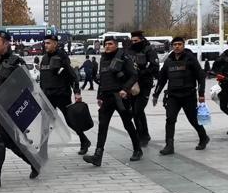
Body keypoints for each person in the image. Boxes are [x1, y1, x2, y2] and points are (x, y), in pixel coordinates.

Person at [0, 30, 35, 191]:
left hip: (12, 110)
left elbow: (29, 87)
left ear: (6, 44)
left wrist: (10, 99)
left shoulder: (16, 62)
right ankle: (34, 163)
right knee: (10, 142)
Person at [82, 37, 141, 166]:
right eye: (105, 44)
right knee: (102, 126)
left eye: (110, 44)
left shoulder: (123, 57)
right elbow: (102, 78)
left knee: (127, 124)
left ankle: (137, 149)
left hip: (120, 96)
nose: (107, 46)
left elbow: (134, 75)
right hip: (107, 97)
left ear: (116, 45)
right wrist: (99, 96)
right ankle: (98, 156)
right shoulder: (103, 58)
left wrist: (125, 89)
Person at [152, 37, 209, 155]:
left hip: (188, 95)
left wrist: (201, 94)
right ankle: (169, 145)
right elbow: (162, 79)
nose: (177, 46)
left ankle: (203, 137)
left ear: (183, 45)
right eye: (175, 44)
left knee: (193, 120)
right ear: (172, 46)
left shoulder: (190, 59)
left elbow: (201, 76)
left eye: (179, 44)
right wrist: (156, 94)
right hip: (173, 96)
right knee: (170, 119)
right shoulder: (169, 60)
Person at [39, 34, 91, 155]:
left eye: (49, 43)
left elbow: (72, 76)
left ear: (55, 44)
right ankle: (42, 152)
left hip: (62, 95)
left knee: (70, 121)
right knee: (44, 124)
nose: (46, 45)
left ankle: (84, 141)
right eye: (45, 43)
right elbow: (43, 78)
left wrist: (77, 92)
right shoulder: (44, 58)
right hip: (48, 96)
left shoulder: (62, 56)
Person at [128, 30, 159, 146]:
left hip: (145, 83)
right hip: (132, 84)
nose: (134, 43)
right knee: (135, 111)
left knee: (138, 110)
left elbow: (155, 67)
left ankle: (143, 136)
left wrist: (142, 72)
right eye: (132, 41)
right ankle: (143, 134)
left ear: (141, 39)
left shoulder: (149, 50)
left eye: (136, 40)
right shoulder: (130, 50)